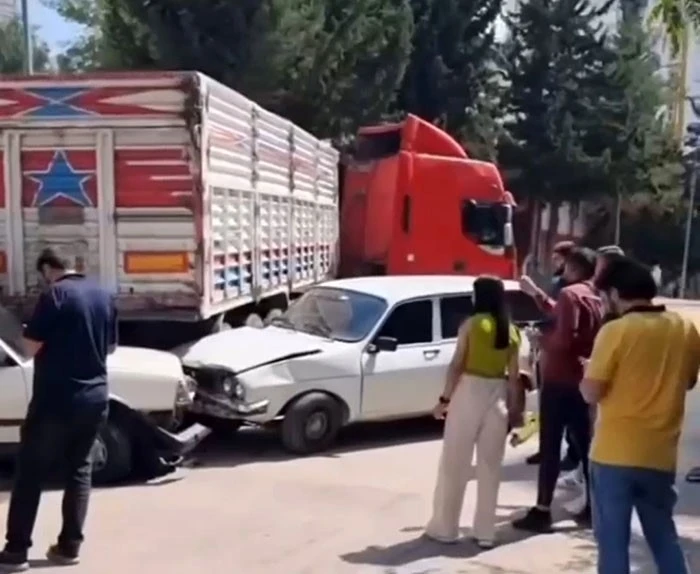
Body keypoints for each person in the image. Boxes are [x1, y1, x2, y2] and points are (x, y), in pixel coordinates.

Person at [0, 248, 117, 571]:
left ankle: (16, 551)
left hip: (55, 399)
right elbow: (110, 346)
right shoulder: (103, 295)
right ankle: (69, 547)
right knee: (80, 470)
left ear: (49, 269)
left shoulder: (55, 296)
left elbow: (30, 346)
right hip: (95, 398)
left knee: (30, 474)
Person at [582, 257, 699, 574]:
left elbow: (591, 392)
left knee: (613, 545)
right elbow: (688, 381)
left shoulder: (615, 331)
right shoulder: (685, 328)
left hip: (613, 455)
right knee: (663, 537)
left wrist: (588, 374)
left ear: (616, 293)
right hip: (660, 455)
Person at [425, 276, 523, 549]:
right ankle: (485, 532)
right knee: (490, 467)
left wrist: (444, 399)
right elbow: (514, 377)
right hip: (498, 395)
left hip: (469, 391)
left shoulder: (472, 325)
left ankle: (445, 528)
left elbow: (457, 364)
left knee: (455, 462)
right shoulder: (512, 330)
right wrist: (515, 410)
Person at [514, 247, 603, 532]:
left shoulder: (569, 294)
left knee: (550, 446)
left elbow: (565, 337)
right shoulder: (596, 295)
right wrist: (538, 295)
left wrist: (542, 341)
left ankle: (542, 510)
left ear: (573, 267)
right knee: (585, 444)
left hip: (559, 378)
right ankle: (593, 506)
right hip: (582, 377)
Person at [527, 240, 579, 471]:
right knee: (546, 402)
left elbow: (557, 312)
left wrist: (535, 292)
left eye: (560, 259)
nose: (556, 262)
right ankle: (546, 448)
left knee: (565, 408)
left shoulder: (572, 288)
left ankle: (572, 452)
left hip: (561, 349)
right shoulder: (557, 282)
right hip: (547, 342)